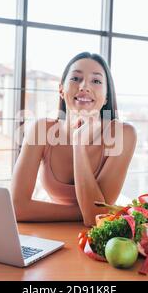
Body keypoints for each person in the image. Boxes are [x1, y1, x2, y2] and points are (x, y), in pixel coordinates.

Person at [11, 52, 137, 227]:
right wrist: (85, 212)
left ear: (106, 95)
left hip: (97, 241)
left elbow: (95, 221)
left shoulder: (123, 134)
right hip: (53, 236)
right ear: (61, 90)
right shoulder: (41, 130)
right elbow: (17, 207)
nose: (84, 86)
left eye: (96, 81)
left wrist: (79, 144)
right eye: (76, 78)